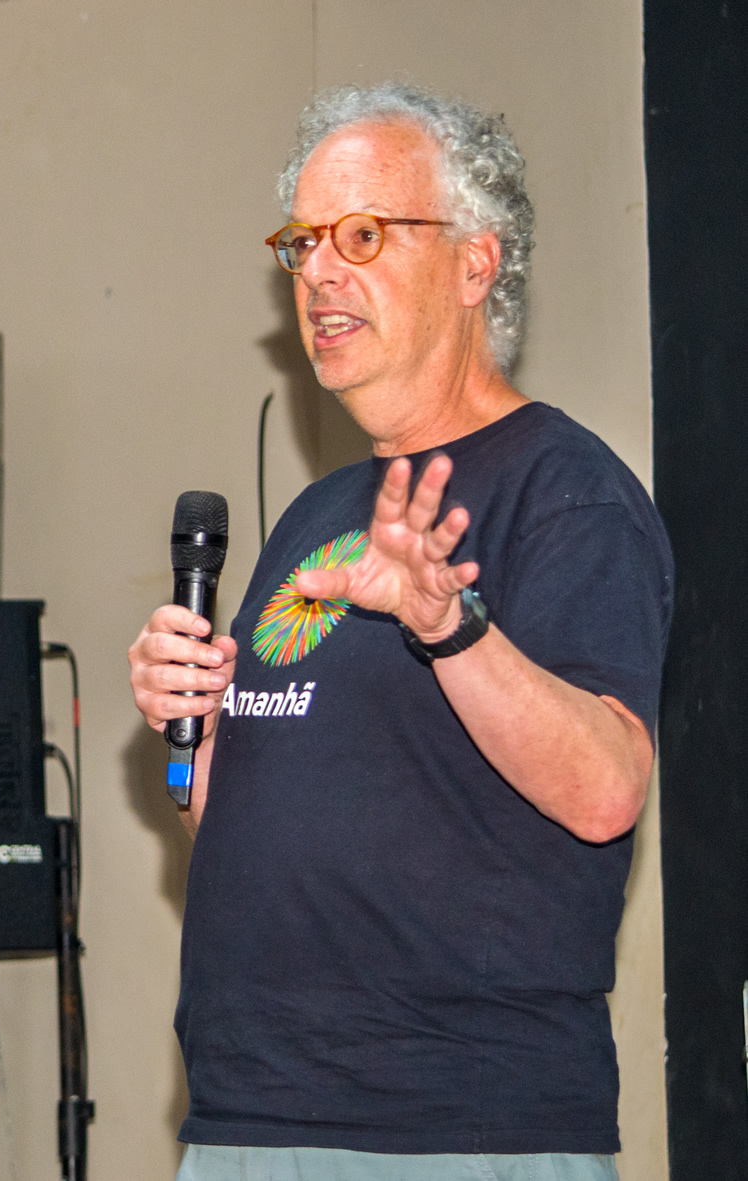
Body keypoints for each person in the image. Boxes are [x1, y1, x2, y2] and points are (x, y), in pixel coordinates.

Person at [127, 83, 672, 1180]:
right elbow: (241, 827)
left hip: (454, 1126)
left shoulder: (565, 492)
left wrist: (448, 624)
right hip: (247, 1120)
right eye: (303, 244)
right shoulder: (314, 518)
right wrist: (196, 729)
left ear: (475, 262)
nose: (318, 273)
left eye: (363, 236)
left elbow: (608, 785)